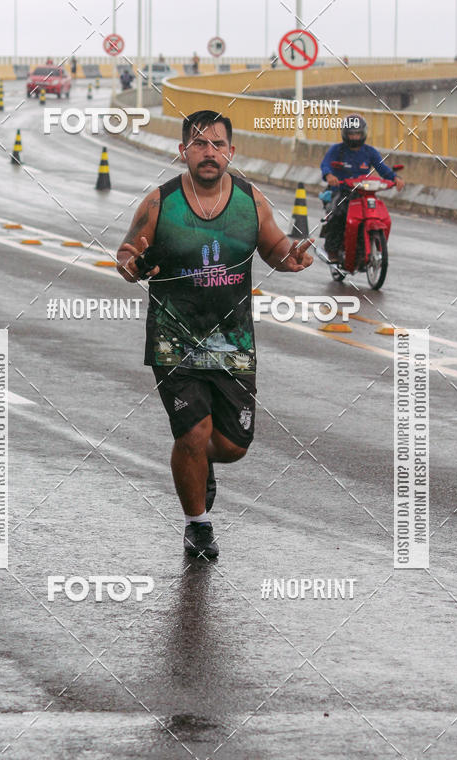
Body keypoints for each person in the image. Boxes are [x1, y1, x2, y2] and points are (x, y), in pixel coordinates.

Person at [117, 109, 314, 559]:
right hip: (174, 339)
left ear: (231, 151)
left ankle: (198, 464)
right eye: (200, 144)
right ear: (182, 150)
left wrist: (293, 259)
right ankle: (197, 524)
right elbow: (127, 258)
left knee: (230, 445)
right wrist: (135, 266)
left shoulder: (251, 200)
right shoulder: (160, 202)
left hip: (233, 342)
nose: (209, 153)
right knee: (193, 432)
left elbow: (276, 249)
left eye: (218, 144)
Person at [320, 114, 405, 262]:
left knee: (377, 214)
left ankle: (368, 245)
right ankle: (332, 250)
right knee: (338, 215)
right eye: (351, 134)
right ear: (345, 134)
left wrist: (395, 178)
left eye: (358, 133)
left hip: (363, 193)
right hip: (341, 192)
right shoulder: (337, 150)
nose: (355, 137)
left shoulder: (369, 152)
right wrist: (329, 176)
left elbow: (382, 168)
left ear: (364, 133)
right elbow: (325, 164)